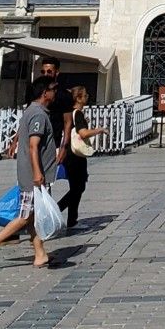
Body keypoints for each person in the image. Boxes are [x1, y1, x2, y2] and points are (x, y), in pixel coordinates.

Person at [0, 71, 61, 272]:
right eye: (53, 90)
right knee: (25, 217)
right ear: (44, 93)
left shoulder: (32, 111)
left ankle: (40, 255)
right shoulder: (39, 115)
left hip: (31, 173)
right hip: (33, 176)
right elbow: (34, 145)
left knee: (34, 216)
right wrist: (37, 173)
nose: (56, 93)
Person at [64, 86, 98, 229]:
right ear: (78, 98)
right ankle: (69, 218)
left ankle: (70, 217)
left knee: (77, 186)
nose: (87, 97)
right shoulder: (77, 114)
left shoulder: (69, 113)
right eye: (85, 95)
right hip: (75, 155)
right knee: (77, 187)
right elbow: (83, 133)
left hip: (70, 154)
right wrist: (99, 130)